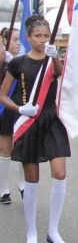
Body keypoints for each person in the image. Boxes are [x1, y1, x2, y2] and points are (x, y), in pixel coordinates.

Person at [0, 15, 71, 243]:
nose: (42, 40)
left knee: (60, 172)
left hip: (51, 120)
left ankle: (54, 229)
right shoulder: (18, 63)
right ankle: (31, 232)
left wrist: (55, 56)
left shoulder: (52, 61)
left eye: (46, 36)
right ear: (28, 37)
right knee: (31, 178)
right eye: (38, 36)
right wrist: (20, 109)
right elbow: (2, 95)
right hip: (29, 121)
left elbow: (59, 74)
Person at [0, 27, 23, 204]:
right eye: (14, 39)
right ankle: (3, 189)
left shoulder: (23, 61)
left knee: (23, 148)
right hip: (5, 108)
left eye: (19, 39)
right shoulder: (3, 61)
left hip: (21, 109)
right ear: (5, 40)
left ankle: (23, 185)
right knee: (5, 149)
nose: (17, 43)